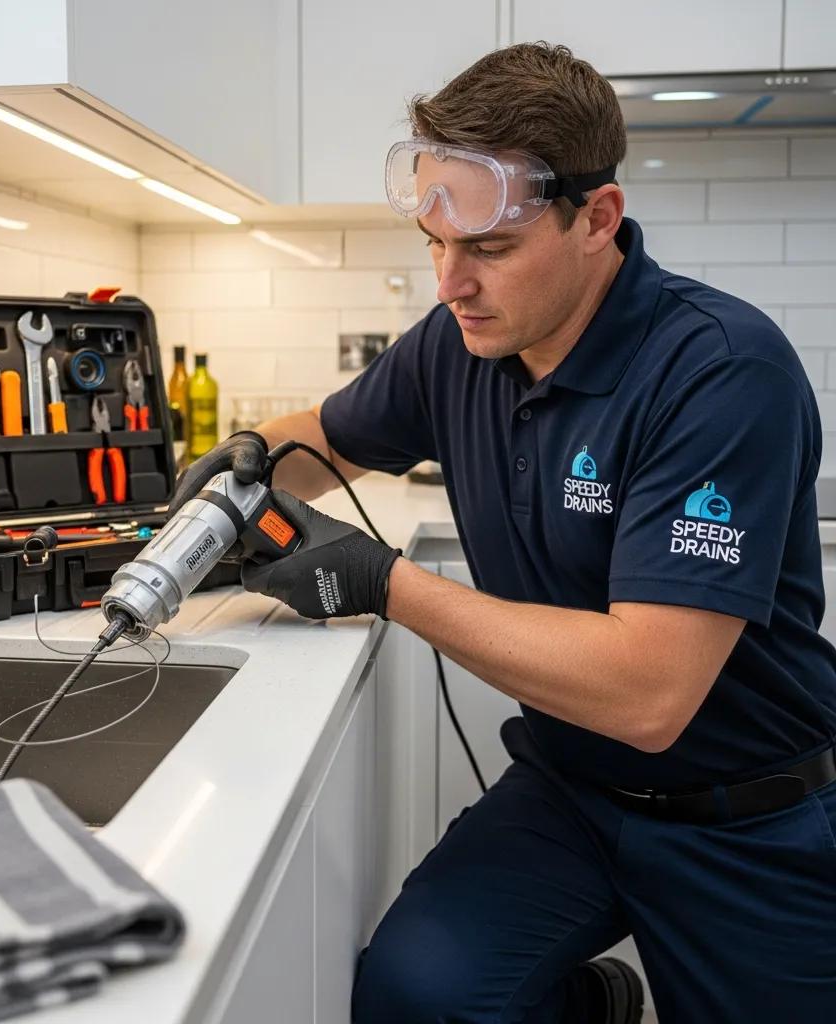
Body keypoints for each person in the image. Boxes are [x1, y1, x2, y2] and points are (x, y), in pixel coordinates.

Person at [168, 42, 836, 1023]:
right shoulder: (461, 343)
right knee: (411, 997)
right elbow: (326, 439)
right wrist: (240, 468)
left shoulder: (721, 372)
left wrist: (385, 582)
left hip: (746, 813)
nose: (449, 283)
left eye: (485, 250)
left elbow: (649, 692)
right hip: (572, 793)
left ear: (595, 220)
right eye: (433, 244)